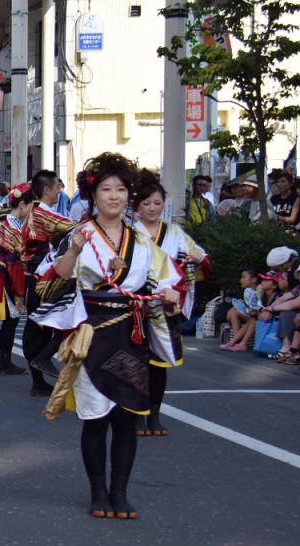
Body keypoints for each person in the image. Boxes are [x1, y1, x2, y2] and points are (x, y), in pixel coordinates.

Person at [31, 152, 181, 520]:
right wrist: (75, 250)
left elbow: (169, 278)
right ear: (93, 195)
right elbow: (54, 278)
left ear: (129, 195)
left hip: (131, 332)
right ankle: (98, 492)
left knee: (127, 416)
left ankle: (121, 492)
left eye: (120, 190)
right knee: (96, 416)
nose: (114, 196)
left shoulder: (141, 240)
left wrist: (170, 292)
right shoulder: (79, 234)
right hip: (91, 332)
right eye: (106, 189)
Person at [133, 169, 207, 437]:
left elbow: (198, 254)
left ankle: (154, 414)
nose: (153, 208)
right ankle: (137, 414)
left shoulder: (174, 233)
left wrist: (198, 257)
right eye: (146, 203)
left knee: (159, 363)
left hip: (166, 306)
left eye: (157, 203)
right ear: (137, 206)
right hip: (137, 306)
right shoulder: (130, 233)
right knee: (137, 362)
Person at [21, 169, 75, 397]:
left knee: (41, 325)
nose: (59, 191)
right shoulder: (43, 213)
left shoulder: (37, 212)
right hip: (42, 278)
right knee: (53, 320)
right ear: (47, 190)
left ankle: (38, 378)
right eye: (57, 187)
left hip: (37, 275)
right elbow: (73, 227)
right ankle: (41, 366)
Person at [0, 185, 34, 377]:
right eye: (30, 206)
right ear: (22, 205)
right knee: (10, 320)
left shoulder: (14, 224)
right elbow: (13, 257)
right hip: (5, 276)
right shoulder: (6, 227)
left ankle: (5, 362)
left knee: (11, 321)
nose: (31, 210)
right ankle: (5, 363)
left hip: (12, 274)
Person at [222, 267, 262, 352]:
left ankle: (238, 342)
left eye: (244, 277)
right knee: (232, 312)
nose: (241, 280)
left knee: (253, 317)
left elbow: (259, 307)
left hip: (257, 316)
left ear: (254, 279)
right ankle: (236, 341)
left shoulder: (260, 291)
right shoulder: (248, 292)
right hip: (250, 315)